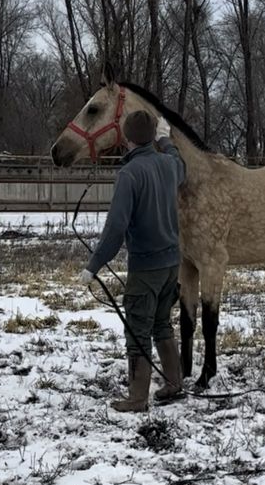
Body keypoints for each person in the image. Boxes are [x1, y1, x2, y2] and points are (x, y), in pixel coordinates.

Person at [79, 110, 186, 412]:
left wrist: (93, 266)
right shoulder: (168, 164)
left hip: (146, 267)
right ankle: (174, 383)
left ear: (126, 137)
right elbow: (180, 164)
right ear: (152, 136)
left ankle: (137, 398)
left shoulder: (129, 174)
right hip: (171, 265)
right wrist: (166, 141)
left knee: (137, 330)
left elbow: (116, 228)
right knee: (162, 323)